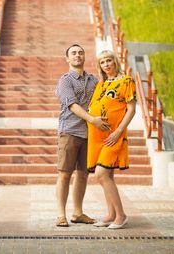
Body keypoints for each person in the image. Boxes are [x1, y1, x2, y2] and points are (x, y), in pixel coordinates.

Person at [56, 44, 110, 227]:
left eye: (80, 53)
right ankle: (61, 214)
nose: (77, 55)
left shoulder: (93, 80)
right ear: (67, 59)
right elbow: (72, 105)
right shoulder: (65, 81)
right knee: (64, 174)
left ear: (85, 57)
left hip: (90, 135)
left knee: (82, 174)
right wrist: (92, 119)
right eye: (73, 53)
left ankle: (78, 213)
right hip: (70, 131)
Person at [87, 50, 136, 229]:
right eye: (102, 62)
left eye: (109, 61)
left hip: (114, 135)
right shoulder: (101, 84)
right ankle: (111, 214)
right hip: (96, 136)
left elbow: (131, 109)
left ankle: (121, 215)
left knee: (100, 175)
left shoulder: (126, 81)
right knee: (107, 175)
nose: (106, 64)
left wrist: (118, 131)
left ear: (115, 62)